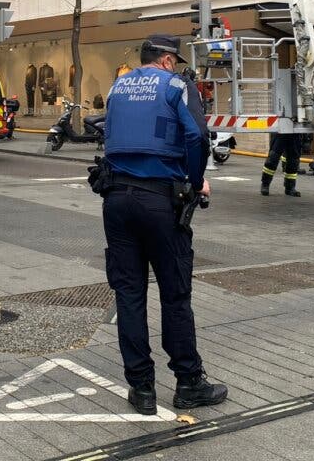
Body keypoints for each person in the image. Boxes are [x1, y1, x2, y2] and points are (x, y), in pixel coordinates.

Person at [102, 34, 227, 416]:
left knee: (129, 295)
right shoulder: (177, 85)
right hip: (160, 200)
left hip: (116, 199)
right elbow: (196, 135)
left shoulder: (117, 87)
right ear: (169, 60)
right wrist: (194, 180)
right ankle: (188, 382)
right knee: (174, 294)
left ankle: (141, 389)